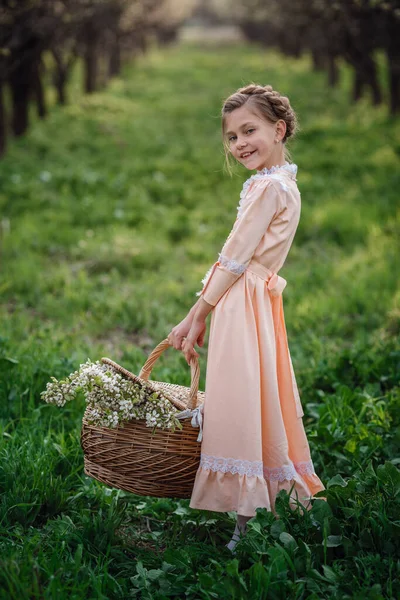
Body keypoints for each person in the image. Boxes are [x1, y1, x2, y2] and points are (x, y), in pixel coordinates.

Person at [167, 83, 325, 553]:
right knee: (256, 397)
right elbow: (237, 258)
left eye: (249, 130)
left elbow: (235, 258)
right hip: (249, 300)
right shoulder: (280, 183)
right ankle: (264, 501)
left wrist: (197, 313)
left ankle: (246, 517)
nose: (239, 144)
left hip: (242, 299)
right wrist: (200, 313)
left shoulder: (269, 188)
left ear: (279, 130)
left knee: (240, 403)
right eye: (232, 137)